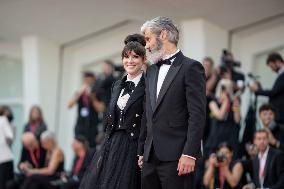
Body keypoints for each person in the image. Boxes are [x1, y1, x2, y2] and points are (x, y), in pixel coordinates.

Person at [137, 17, 206, 189]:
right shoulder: (150, 71)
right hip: (149, 158)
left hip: (178, 158)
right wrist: (142, 151)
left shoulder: (191, 67)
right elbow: (148, 113)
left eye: (148, 39)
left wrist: (190, 153)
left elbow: (197, 115)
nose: (146, 46)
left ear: (163, 34)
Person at [79, 34, 146, 189]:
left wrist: (143, 151)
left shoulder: (148, 85)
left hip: (133, 145)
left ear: (143, 60)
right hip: (112, 142)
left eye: (135, 57)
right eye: (126, 57)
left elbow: (148, 121)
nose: (130, 61)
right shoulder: (117, 85)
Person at [205, 79, 241, 159]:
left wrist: (236, 107)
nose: (226, 92)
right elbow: (220, 116)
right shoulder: (213, 103)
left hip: (230, 138)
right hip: (216, 138)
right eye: (223, 89)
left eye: (228, 89)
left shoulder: (234, 102)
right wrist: (226, 101)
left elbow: (237, 120)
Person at [68, 72, 105, 147]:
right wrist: (80, 92)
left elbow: (101, 109)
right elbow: (69, 105)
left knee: (91, 149)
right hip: (80, 125)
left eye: (89, 81)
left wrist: (92, 97)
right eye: (85, 81)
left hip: (92, 126)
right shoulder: (79, 93)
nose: (87, 83)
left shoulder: (96, 93)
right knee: (79, 146)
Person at [250, 52, 284, 125]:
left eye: (272, 66)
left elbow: (274, 92)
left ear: (277, 62)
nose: (272, 69)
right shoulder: (280, 75)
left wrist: (258, 90)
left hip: (281, 115)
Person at [0, 106, 14, 189]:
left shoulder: (3, 121)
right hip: (5, 157)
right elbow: (10, 137)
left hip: (4, 157)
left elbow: (10, 137)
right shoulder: (3, 121)